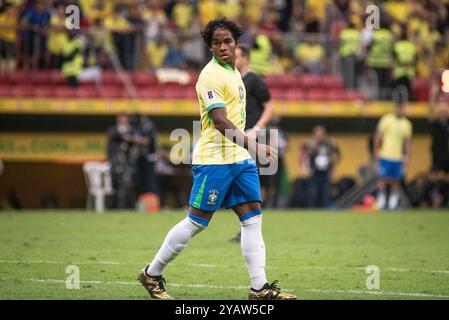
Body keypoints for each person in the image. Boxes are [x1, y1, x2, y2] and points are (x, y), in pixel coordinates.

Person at [138, 18, 296, 300]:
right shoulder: (210, 75)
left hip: (239, 159)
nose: (223, 47)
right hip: (215, 159)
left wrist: (247, 148)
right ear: (210, 47)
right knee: (197, 222)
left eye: (228, 41)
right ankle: (151, 274)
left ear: (236, 44)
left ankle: (259, 289)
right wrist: (254, 145)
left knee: (252, 219)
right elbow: (220, 121)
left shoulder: (234, 72)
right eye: (216, 43)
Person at [229, 44, 274, 242]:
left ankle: (253, 226)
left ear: (245, 59)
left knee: (254, 180)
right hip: (239, 136)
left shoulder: (254, 79)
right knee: (242, 180)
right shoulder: (232, 79)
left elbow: (270, 106)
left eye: (236, 56)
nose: (233, 59)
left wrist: (256, 129)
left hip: (253, 136)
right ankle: (247, 226)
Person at [374, 102, 413, 210]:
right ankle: (381, 200)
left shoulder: (407, 124)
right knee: (382, 178)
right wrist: (377, 151)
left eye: (401, 108)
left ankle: (392, 202)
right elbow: (378, 136)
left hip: (398, 157)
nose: (399, 110)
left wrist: (407, 156)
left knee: (396, 180)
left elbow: (407, 143)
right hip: (385, 155)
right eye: (397, 107)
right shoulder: (386, 120)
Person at [301, 125, 340, 208]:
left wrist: (333, 170)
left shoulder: (329, 143)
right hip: (314, 172)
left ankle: (325, 211)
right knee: (313, 194)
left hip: (326, 172)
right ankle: (311, 212)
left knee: (325, 194)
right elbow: (304, 154)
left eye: (321, 134)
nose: (319, 136)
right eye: (317, 133)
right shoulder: (311, 143)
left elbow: (335, 156)